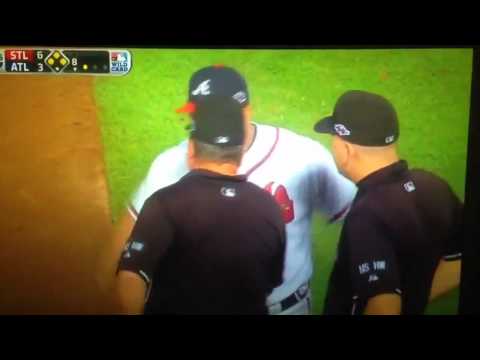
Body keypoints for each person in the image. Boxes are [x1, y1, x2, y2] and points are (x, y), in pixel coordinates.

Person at [107, 65, 356, 315]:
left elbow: (359, 218)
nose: (207, 120)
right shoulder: (170, 163)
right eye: (201, 113)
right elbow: (124, 252)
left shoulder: (303, 155)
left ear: (247, 110)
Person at [115, 95, 286, 314]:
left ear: (191, 150)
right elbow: (271, 280)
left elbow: (130, 276)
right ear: (240, 155)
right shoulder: (269, 207)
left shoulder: (165, 204)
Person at [314, 90, 464, 315]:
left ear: (346, 149)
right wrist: (414, 301)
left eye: (333, 139)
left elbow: (384, 307)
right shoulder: (433, 185)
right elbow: (459, 260)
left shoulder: (367, 216)